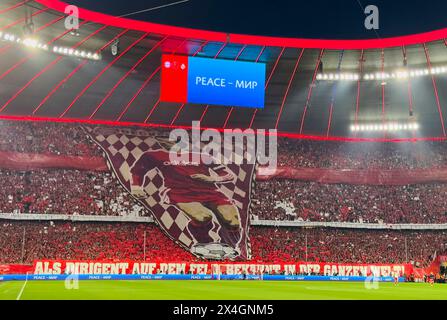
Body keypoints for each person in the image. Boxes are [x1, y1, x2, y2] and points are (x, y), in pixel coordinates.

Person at [130, 137, 243, 258]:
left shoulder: (201, 156)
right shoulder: (156, 155)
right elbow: (137, 170)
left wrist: (214, 179)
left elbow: (228, 174)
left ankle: (228, 246)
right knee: (203, 216)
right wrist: (136, 187)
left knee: (232, 219)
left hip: (210, 191)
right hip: (180, 192)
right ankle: (204, 244)